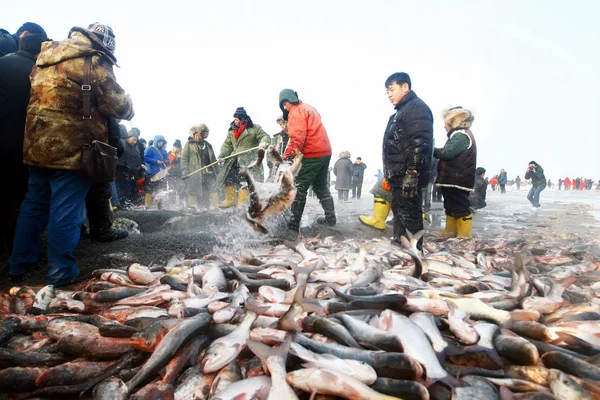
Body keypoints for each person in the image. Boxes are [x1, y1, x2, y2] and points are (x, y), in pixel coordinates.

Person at [9, 23, 134, 285]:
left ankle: (19, 265)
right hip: (73, 146)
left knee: (34, 203)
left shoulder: (46, 53)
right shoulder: (92, 59)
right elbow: (117, 105)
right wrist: (129, 104)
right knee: (66, 208)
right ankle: (61, 272)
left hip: (37, 142)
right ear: (104, 44)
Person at [0, 32, 49, 257]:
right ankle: (18, 254)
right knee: (21, 200)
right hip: (22, 144)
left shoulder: (3, 63)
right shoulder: (39, 73)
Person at [382, 72, 433, 249]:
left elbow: (420, 143)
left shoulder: (416, 108)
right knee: (399, 213)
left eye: (391, 89)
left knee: (409, 214)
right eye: (387, 91)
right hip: (399, 175)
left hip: (408, 175)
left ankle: (414, 252)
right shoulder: (403, 110)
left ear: (405, 87)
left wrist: (412, 173)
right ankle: (400, 245)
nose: (389, 94)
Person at [278, 88, 335, 235]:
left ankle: (293, 225)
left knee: (299, 187)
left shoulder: (296, 112)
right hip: (325, 151)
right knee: (320, 185)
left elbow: (298, 137)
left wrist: (287, 157)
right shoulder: (310, 108)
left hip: (313, 152)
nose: (285, 107)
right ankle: (331, 218)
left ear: (288, 101)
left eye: (285, 104)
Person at [433, 106, 477, 238]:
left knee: (459, 206)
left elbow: (446, 153)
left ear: (453, 122)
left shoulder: (461, 135)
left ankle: (464, 234)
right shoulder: (459, 135)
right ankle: (450, 230)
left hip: (458, 180)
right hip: (452, 179)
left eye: (446, 123)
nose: (444, 126)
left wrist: (429, 148)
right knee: (450, 205)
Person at [216, 107, 270, 208]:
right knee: (229, 178)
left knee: (245, 181)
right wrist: (222, 155)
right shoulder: (231, 131)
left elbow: (265, 136)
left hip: (248, 160)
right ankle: (230, 200)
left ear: (243, 119)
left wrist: (263, 143)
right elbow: (227, 145)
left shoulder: (255, 128)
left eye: (237, 119)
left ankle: (242, 203)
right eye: (234, 119)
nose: (235, 122)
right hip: (233, 160)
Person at [181, 124, 219, 209]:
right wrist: (184, 169)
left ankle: (215, 207)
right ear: (194, 134)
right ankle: (191, 208)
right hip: (195, 173)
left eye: (201, 134)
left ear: (204, 135)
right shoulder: (188, 145)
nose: (199, 136)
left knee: (213, 188)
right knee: (193, 190)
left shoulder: (208, 145)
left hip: (208, 173)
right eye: (197, 134)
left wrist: (218, 171)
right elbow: (184, 158)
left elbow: (213, 160)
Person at [116, 127, 145, 207]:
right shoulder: (122, 145)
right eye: (133, 139)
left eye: (136, 140)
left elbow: (138, 159)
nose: (135, 142)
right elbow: (120, 160)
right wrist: (123, 170)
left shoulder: (135, 148)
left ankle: (130, 204)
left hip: (133, 174)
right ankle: (122, 206)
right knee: (124, 191)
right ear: (128, 138)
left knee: (132, 190)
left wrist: (140, 166)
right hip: (123, 173)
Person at [143, 135, 168, 207]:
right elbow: (145, 158)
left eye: (162, 142)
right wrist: (156, 161)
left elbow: (167, 158)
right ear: (156, 142)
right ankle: (147, 205)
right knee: (149, 190)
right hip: (150, 172)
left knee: (160, 189)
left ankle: (160, 205)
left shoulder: (163, 151)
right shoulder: (149, 149)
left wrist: (167, 161)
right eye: (159, 142)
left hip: (160, 173)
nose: (160, 143)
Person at [267, 115, 290, 182]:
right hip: (278, 167)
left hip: (290, 166)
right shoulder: (278, 137)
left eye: (284, 123)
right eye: (280, 125)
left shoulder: (295, 135)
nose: (282, 126)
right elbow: (270, 155)